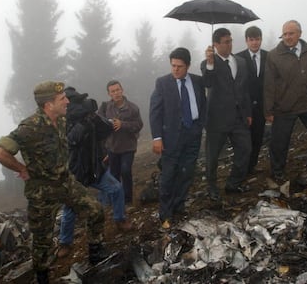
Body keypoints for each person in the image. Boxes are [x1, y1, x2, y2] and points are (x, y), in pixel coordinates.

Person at [0, 81, 107, 284]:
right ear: (48, 105)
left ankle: (96, 252)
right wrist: (21, 169)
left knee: (96, 210)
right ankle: (42, 276)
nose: (67, 101)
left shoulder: (61, 120)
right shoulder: (29, 128)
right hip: (42, 192)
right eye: (62, 99)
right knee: (42, 241)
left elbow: (83, 110)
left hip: (66, 182)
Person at [57, 87, 132, 259]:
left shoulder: (88, 116)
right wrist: (82, 121)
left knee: (116, 188)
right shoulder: (62, 121)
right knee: (69, 209)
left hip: (94, 167)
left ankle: (120, 219)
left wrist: (95, 118)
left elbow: (106, 130)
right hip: (74, 172)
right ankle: (65, 242)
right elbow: (72, 140)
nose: (72, 106)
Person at [264, 20, 307, 181]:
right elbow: (269, 84)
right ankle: (277, 170)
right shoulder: (273, 56)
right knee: (279, 142)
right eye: (284, 34)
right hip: (284, 106)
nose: (287, 37)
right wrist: (268, 110)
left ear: (299, 33)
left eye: (291, 33)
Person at [149, 47, 206, 229]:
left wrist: (200, 125)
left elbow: (202, 103)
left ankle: (179, 205)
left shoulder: (197, 81)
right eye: (173, 65)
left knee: (187, 172)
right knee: (168, 175)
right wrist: (157, 137)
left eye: (179, 66)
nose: (175, 69)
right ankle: (165, 213)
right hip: (171, 136)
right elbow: (155, 112)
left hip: (193, 133)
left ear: (187, 66)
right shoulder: (163, 83)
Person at [201, 28, 252, 201]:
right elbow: (207, 82)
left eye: (230, 41)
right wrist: (209, 62)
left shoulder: (241, 61)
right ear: (216, 44)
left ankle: (233, 183)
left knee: (245, 149)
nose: (230, 44)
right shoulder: (209, 63)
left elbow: (244, 89)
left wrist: (248, 112)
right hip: (217, 119)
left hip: (239, 117)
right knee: (212, 156)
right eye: (225, 42)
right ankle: (212, 187)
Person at [98, 80, 143, 205]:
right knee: (114, 174)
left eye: (118, 90)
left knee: (125, 170)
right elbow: (97, 125)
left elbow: (139, 125)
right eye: (113, 91)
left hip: (128, 146)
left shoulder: (132, 108)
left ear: (122, 90)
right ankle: (116, 200)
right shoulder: (105, 107)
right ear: (109, 94)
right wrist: (107, 124)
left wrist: (123, 124)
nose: (116, 93)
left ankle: (128, 200)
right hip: (112, 147)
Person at [236, 26, 268, 175]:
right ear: (246, 41)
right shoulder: (238, 58)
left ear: (261, 39)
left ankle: (252, 166)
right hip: (244, 107)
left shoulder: (269, 57)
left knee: (257, 138)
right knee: (243, 141)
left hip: (261, 106)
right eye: (251, 40)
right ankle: (242, 168)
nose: (254, 43)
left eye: (257, 39)